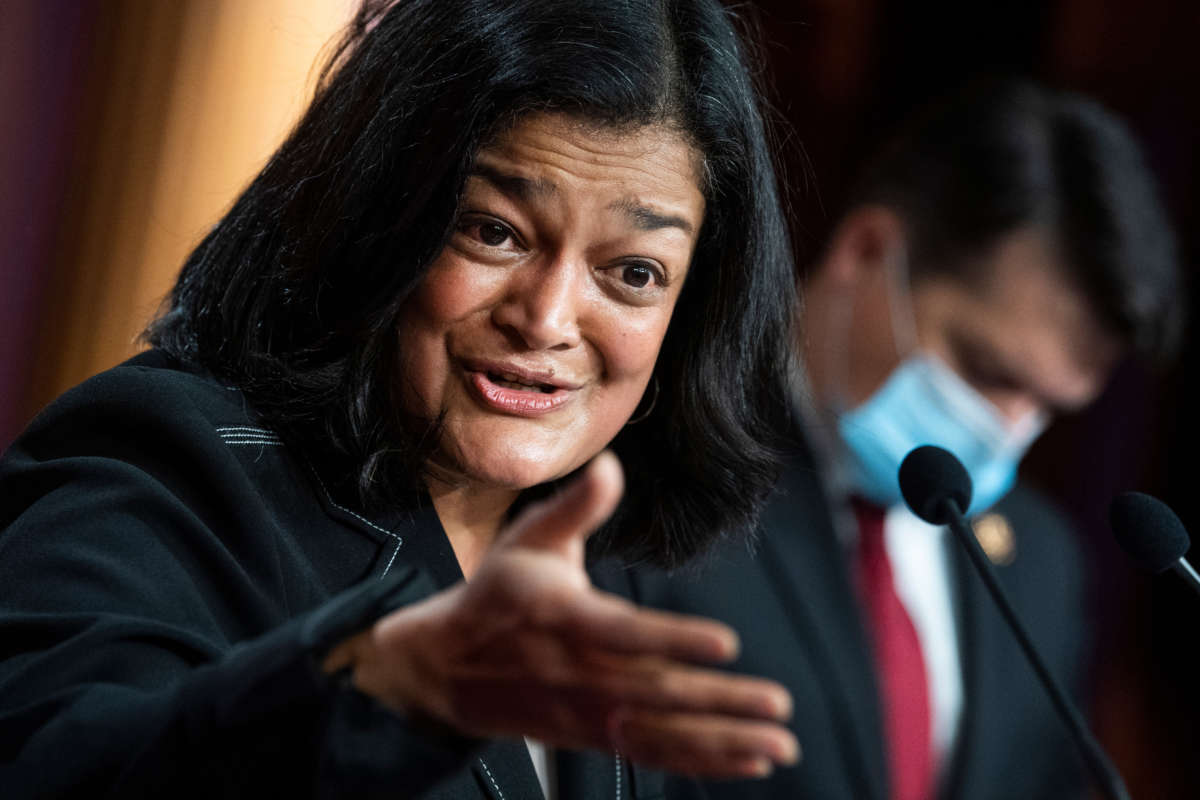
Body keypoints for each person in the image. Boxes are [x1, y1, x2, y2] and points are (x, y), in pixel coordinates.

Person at [0, 1, 803, 796]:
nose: (547, 320)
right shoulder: (170, 460)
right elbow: (52, 768)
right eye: (495, 231)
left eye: (632, 273)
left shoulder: (602, 565)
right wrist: (382, 694)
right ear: (379, 216)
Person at [633, 80, 1182, 800]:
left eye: (1048, 407)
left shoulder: (1044, 568)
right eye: (984, 370)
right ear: (865, 252)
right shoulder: (650, 464)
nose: (1006, 429)